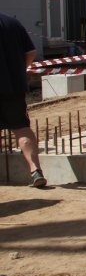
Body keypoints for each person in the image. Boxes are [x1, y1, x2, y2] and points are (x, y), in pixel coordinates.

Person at [0, 12, 45, 188]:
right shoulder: (12, 23)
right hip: (13, 87)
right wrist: (18, 71)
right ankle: (35, 171)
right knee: (21, 127)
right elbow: (31, 52)